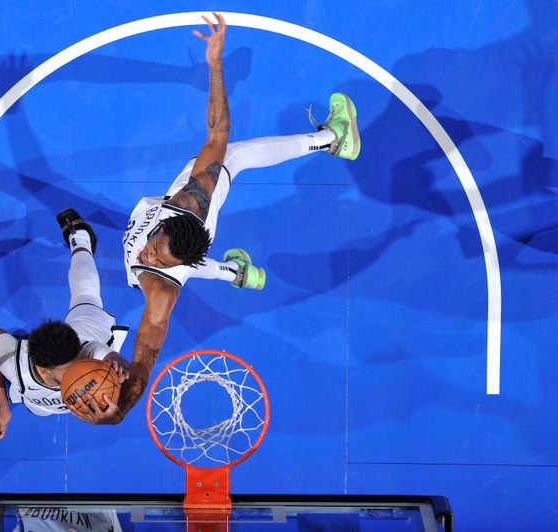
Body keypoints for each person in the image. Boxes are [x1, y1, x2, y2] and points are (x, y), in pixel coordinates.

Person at [73, 12, 361, 424]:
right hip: (187, 226)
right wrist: (214, 64)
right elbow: (216, 134)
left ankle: (334, 140)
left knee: (238, 159)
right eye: (156, 249)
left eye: (159, 259)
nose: (150, 257)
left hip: (190, 249)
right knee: (224, 153)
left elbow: (146, 352)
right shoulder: (190, 199)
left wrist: (120, 408)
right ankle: (239, 273)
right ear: (166, 225)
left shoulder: (161, 289)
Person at [0, 208, 130, 434]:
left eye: (79, 360)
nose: (83, 367)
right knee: (39, 410)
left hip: (86, 326)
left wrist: (122, 369)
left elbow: (109, 356)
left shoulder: (86, 351)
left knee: (86, 294)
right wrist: (3, 407)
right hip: (38, 401)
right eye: (71, 367)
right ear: (43, 371)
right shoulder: (15, 368)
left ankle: (80, 238)